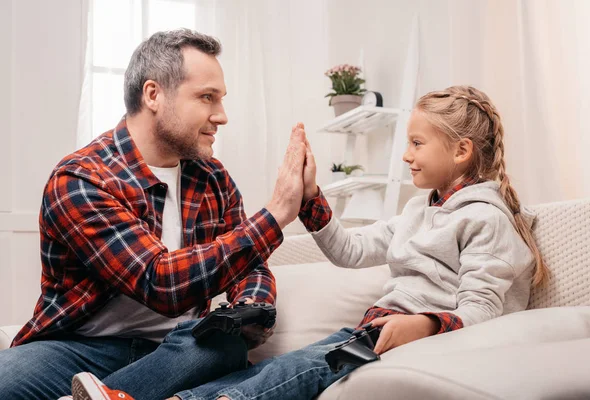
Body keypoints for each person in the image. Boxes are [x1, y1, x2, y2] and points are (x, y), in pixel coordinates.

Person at [65, 85, 549, 400]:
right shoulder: (419, 210)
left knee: (296, 370)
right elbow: (352, 252)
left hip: (412, 341)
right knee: (270, 369)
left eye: (418, 144)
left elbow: (484, 310)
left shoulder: (487, 219)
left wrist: (423, 324)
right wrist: (311, 196)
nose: (405, 156)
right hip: (375, 332)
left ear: (462, 151)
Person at [0, 29, 318, 400]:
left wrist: (251, 303)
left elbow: (250, 265)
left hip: (178, 349)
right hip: (79, 349)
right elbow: (160, 283)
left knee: (223, 343)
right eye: (206, 97)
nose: (222, 116)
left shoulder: (214, 178)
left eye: (220, 99)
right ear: (153, 95)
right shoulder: (82, 178)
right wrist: (277, 213)